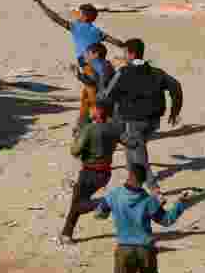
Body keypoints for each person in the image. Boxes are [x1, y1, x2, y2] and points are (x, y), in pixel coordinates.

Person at [95, 163, 192, 273]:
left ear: (129, 175)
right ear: (142, 181)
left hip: (124, 248)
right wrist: (180, 203)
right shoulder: (149, 200)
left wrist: (108, 212)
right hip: (146, 249)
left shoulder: (115, 195)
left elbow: (99, 214)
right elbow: (167, 221)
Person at [97, 38, 184, 195]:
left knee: (138, 154)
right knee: (131, 148)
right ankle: (132, 182)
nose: (123, 56)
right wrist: (174, 111)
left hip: (133, 120)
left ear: (131, 54)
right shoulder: (157, 72)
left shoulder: (123, 72)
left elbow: (107, 95)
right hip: (153, 121)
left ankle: (154, 188)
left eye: (125, 53)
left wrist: (103, 83)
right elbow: (176, 86)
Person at [30, 0, 124, 131]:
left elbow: (55, 18)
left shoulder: (77, 27)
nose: (77, 15)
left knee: (92, 96)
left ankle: (100, 126)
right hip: (99, 63)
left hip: (88, 65)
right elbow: (115, 41)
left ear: (86, 17)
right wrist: (127, 47)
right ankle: (81, 125)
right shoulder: (96, 31)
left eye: (79, 13)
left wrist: (40, 3)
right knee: (86, 97)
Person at [61, 101, 124, 244]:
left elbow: (75, 151)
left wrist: (78, 136)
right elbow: (128, 141)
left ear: (98, 112)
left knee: (78, 204)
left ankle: (106, 203)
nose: (90, 111)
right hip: (105, 173)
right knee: (77, 201)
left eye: (92, 109)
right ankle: (66, 234)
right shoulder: (114, 129)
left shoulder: (90, 129)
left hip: (90, 173)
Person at [71, 42, 116, 132]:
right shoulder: (99, 66)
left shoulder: (105, 67)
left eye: (88, 53)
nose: (85, 56)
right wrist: (78, 75)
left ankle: (86, 127)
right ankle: (82, 126)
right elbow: (93, 82)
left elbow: (105, 89)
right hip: (103, 100)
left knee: (88, 99)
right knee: (86, 96)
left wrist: (96, 105)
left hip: (107, 102)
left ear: (95, 55)